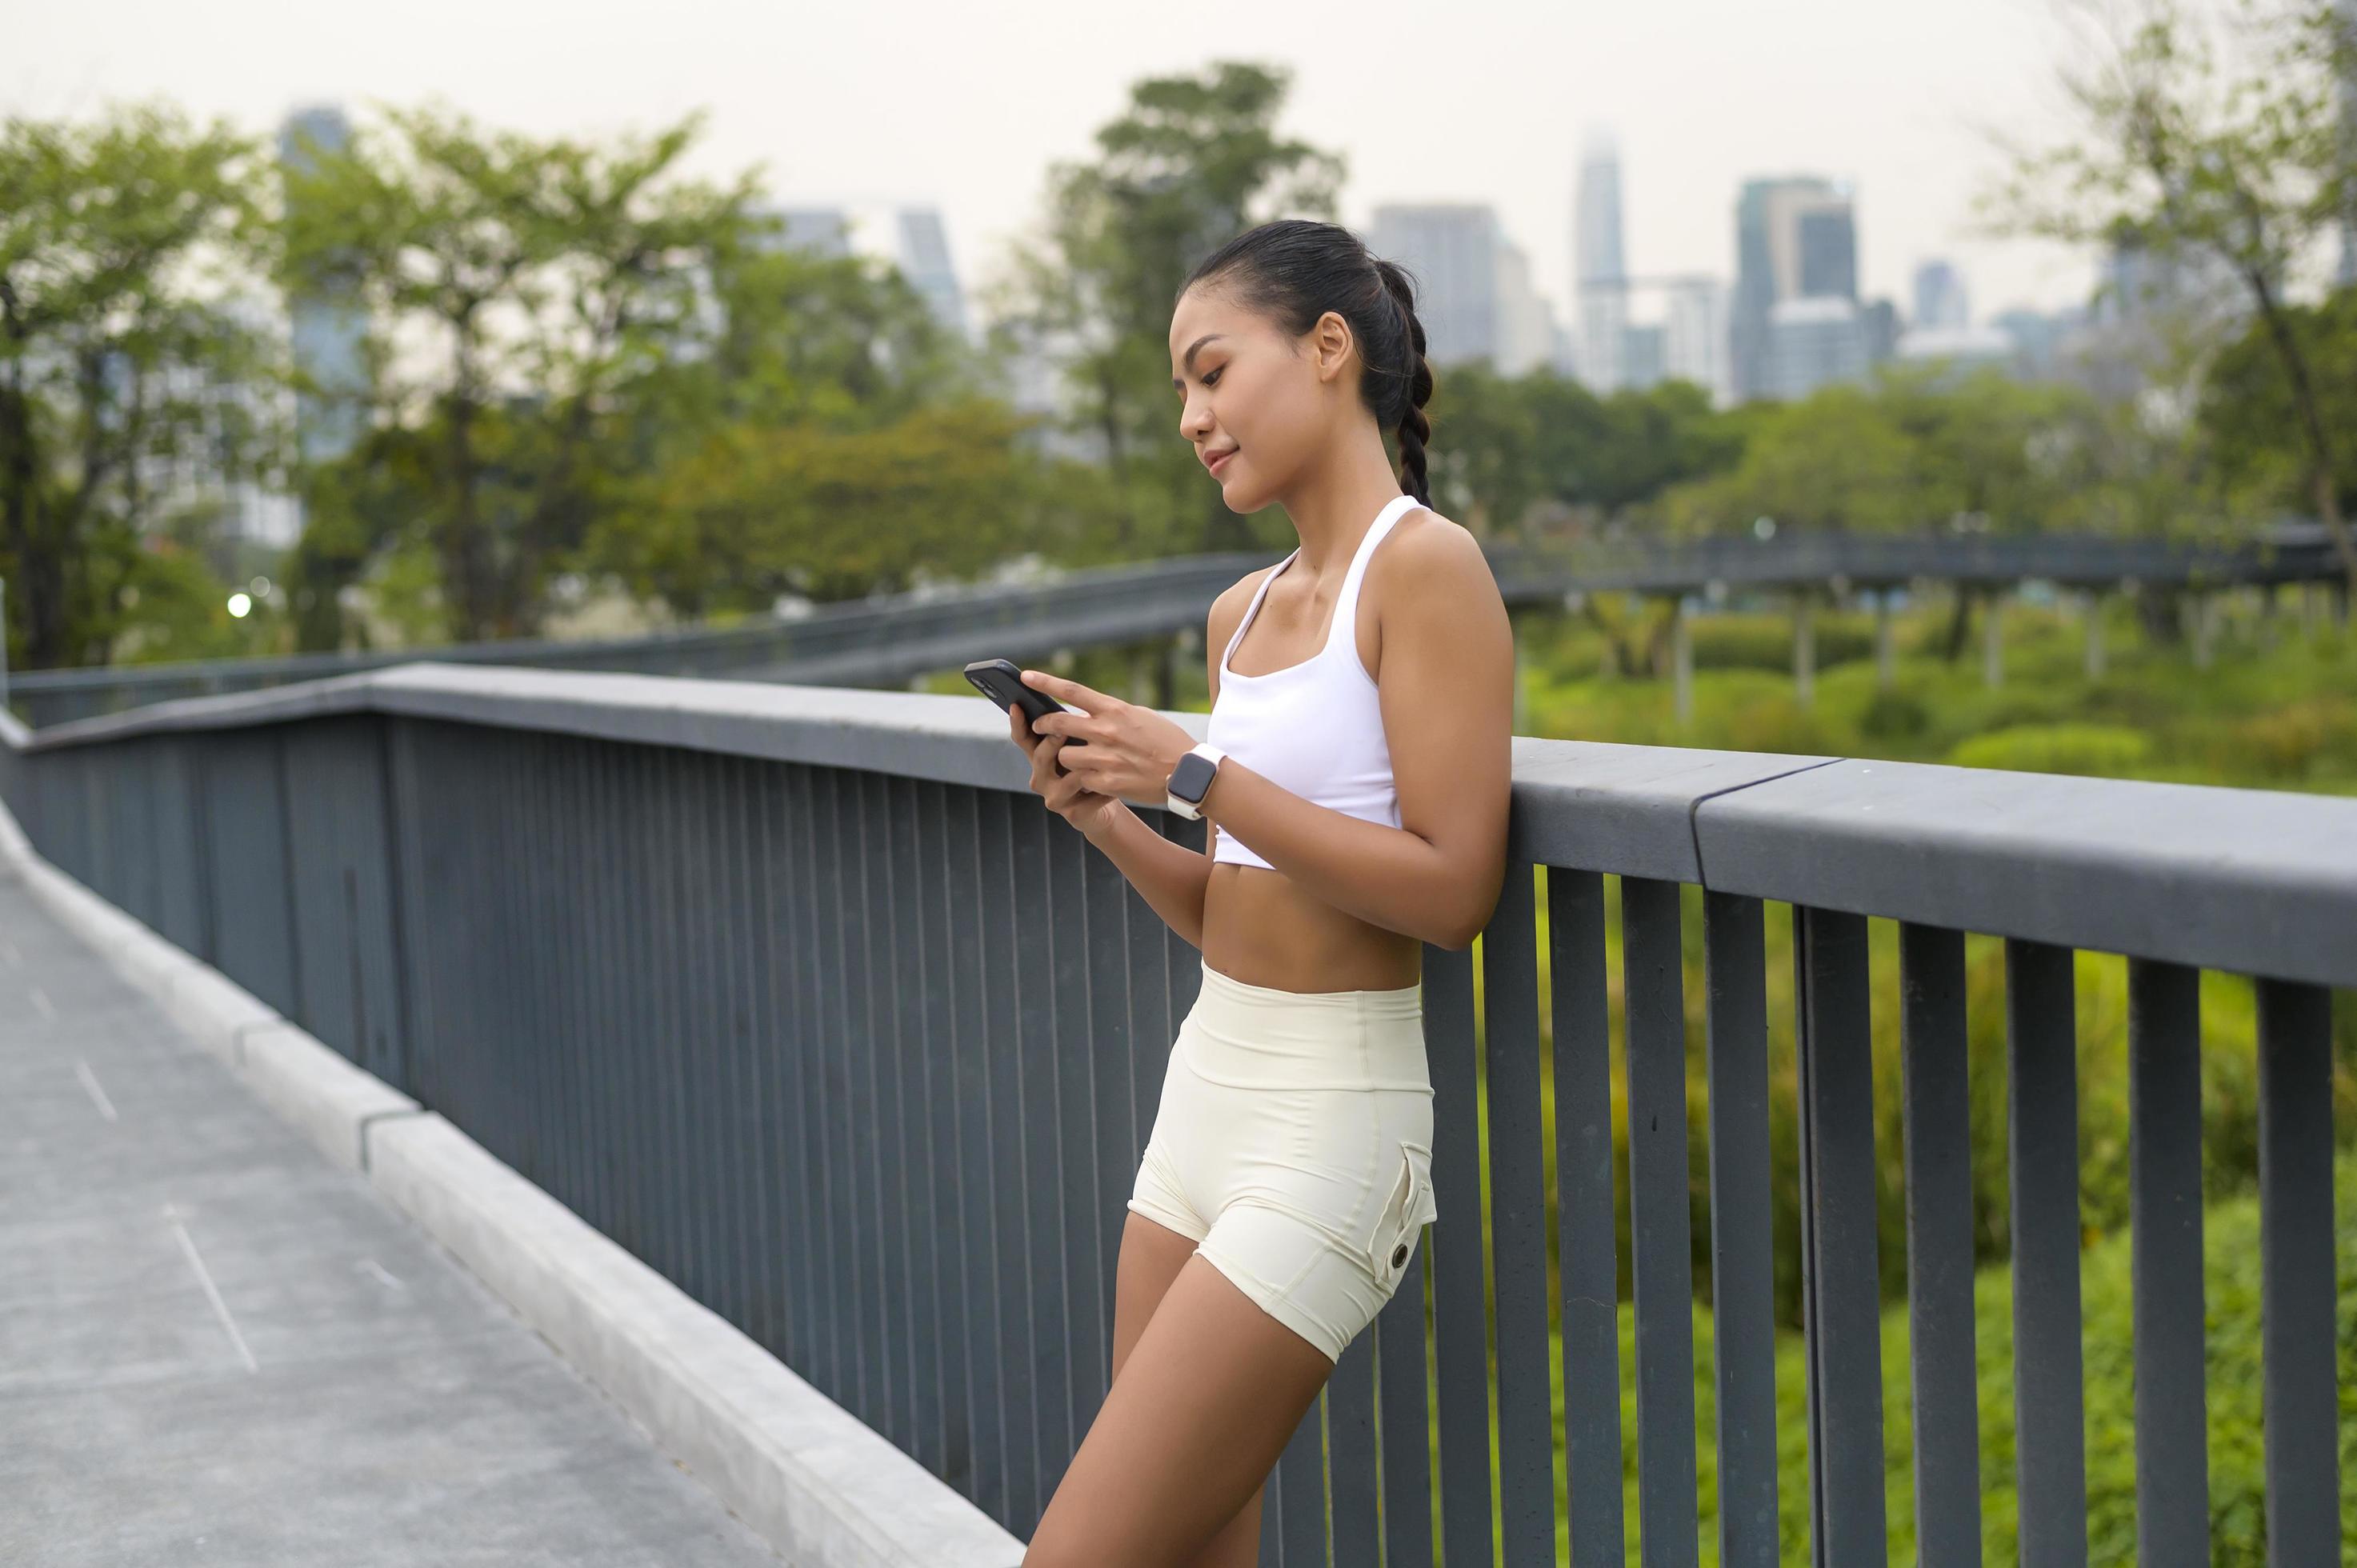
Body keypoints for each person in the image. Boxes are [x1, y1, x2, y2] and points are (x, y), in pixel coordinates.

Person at [1006, 218, 1513, 1567]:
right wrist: (1113, 813)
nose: (1192, 415)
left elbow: (1454, 889)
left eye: (1212, 371)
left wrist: (1197, 774)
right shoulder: (1239, 613)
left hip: (1333, 1131)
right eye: (1181, 388)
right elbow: (1239, 919)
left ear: (1328, 349)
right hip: (1205, 1095)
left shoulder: (1425, 569)